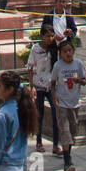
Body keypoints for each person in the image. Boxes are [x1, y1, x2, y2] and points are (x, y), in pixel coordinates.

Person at [50, 39, 86, 171]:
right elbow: (53, 83)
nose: (68, 53)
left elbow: (84, 80)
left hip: (75, 102)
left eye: (70, 51)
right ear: (60, 54)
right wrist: (54, 97)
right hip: (62, 103)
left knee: (72, 131)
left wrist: (78, 80)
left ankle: (68, 155)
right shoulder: (57, 66)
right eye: (65, 51)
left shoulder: (78, 64)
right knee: (65, 131)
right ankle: (67, 162)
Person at [28, 25, 61, 156]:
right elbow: (30, 68)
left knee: (55, 113)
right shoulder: (35, 49)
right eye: (48, 36)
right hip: (39, 84)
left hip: (51, 85)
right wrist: (31, 86)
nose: (50, 38)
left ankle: (55, 144)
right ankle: (39, 141)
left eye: (52, 36)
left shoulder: (55, 49)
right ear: (42, 36)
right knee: (39, 114)